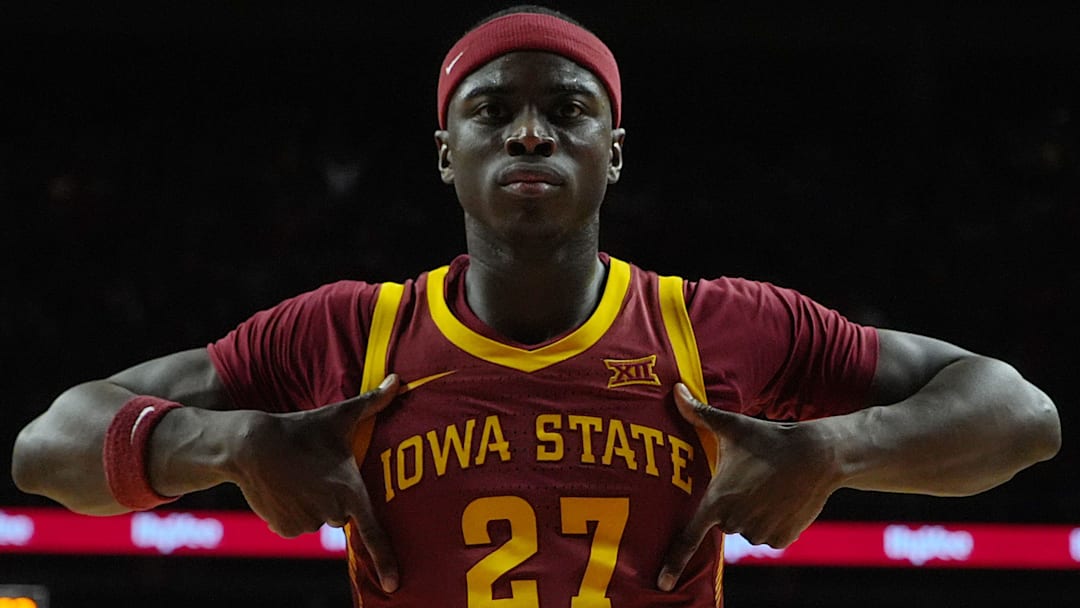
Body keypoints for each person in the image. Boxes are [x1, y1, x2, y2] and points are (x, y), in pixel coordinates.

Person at [11, 5, 1061, 607]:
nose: (527, 135)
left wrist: (837, 449)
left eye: (565, 112)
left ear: (613, 151)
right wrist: (226, 442)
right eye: (492, 111)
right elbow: (46, 447)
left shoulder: (719, 327)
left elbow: (1021, 414)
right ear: (445, 153)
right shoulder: (346, 332)